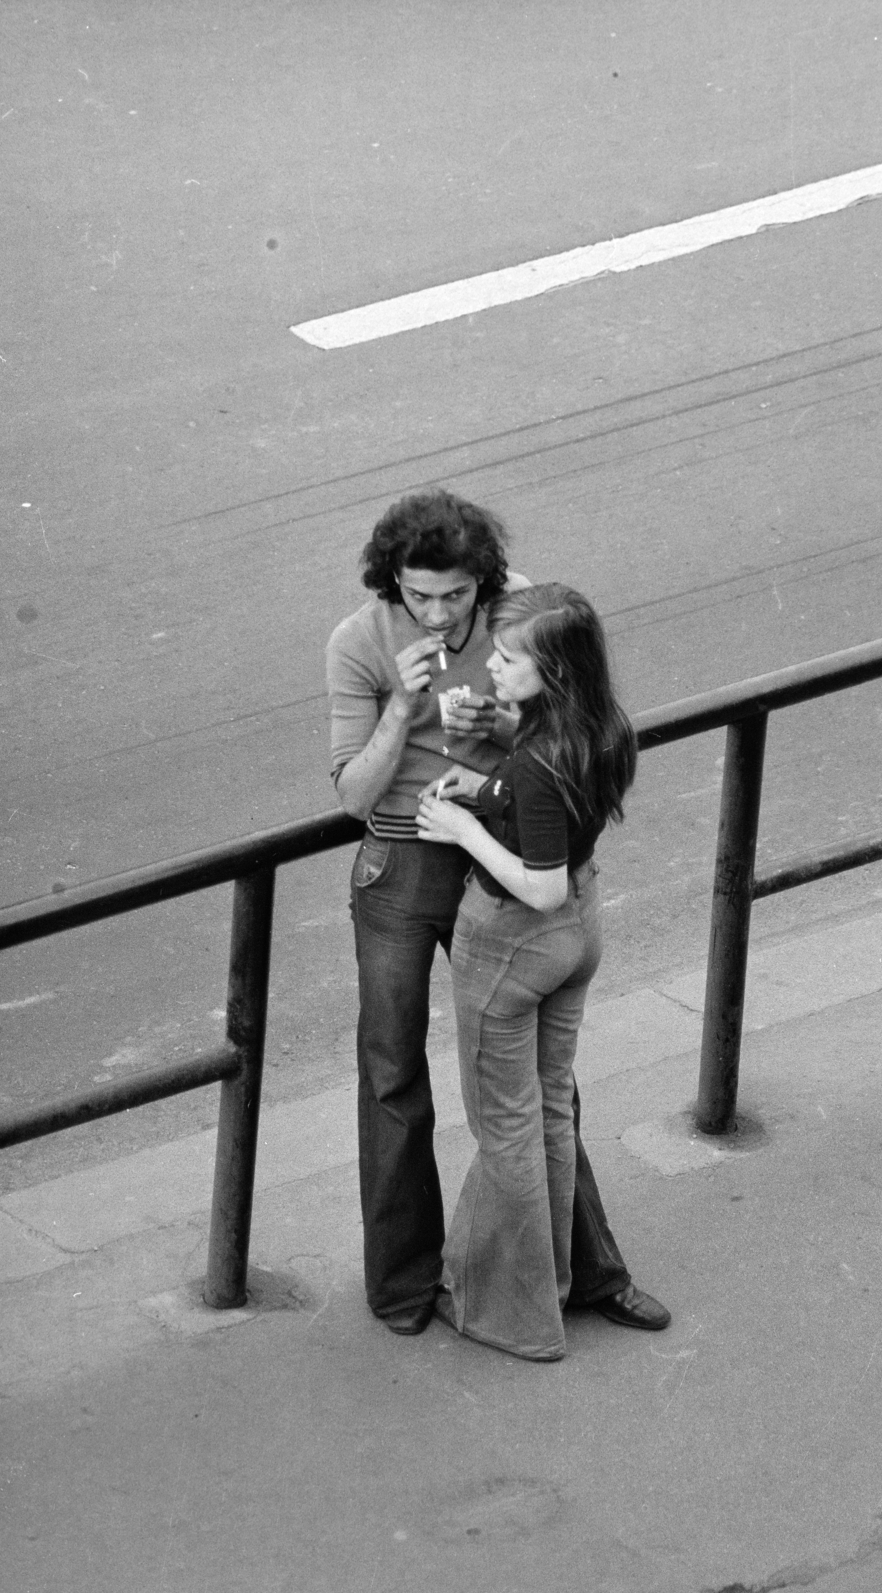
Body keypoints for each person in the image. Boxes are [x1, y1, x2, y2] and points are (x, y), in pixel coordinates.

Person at [327, 491, 670, 1337]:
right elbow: (350, 795)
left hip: (501, 851)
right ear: (390, 587)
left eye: (455, 597)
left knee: (537, 1082)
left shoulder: (516, 610)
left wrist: (502, 720)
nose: (439, 615)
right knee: (393, 1071)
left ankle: (587, 1269)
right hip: (403, 857)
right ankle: (405, 1286)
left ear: (482, 579)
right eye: (420, 598)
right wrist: (401, 713)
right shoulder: (358, 643)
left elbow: (562, 728)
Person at [415, 583, 659, 1359]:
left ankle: (517, 1318)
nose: (494, 667)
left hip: (516, 940)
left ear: (553, 671)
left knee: (506, 1130)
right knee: (551, 1111)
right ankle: (551, 1288)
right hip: (579, 934)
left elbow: (537, 879)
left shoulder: (539, 764)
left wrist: (460, 826)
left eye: (511, 658)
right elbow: (539, 805)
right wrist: (484, 789)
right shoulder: (600, 729)